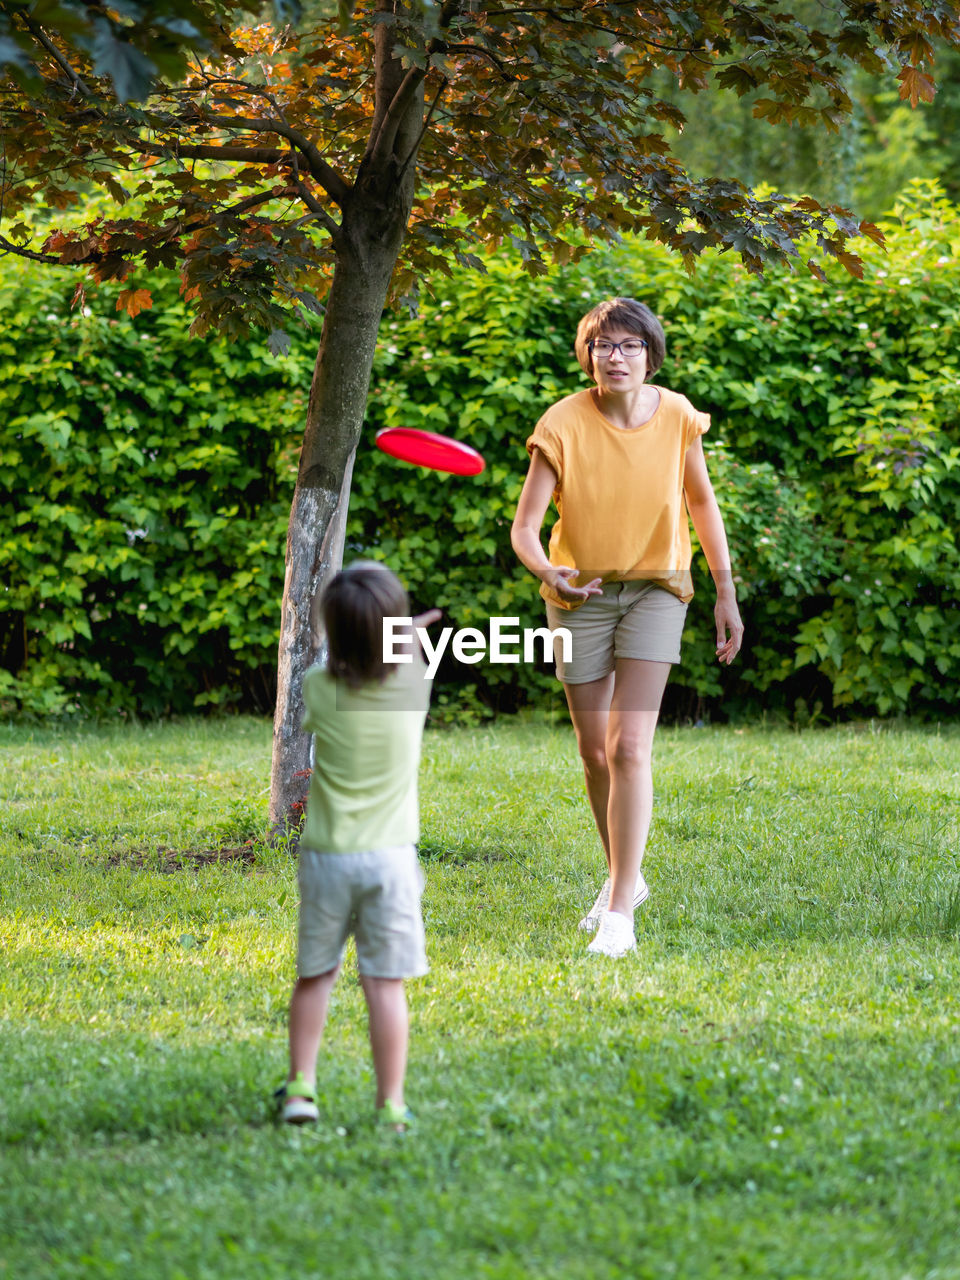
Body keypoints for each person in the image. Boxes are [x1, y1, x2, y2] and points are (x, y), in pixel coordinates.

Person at [511, 297, 743, 958]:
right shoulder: (561, 423)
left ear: (650, 354)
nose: (617, 357)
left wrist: (724, 593)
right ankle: (627, 877)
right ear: (588, 356)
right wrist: (549, 572)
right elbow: (525, 528)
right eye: (604, 346)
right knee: (593, 752)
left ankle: (619, 915)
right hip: (576, 596)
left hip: (657, 591)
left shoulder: (676, 417)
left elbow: (701, 501)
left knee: (629, 746)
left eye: (630, 346)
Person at [274, 561, 438, 1129]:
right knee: (383, 985)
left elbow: (334, 664)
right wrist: (410, 635)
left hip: (326, 856)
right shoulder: (414, 684)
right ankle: (391, 1104)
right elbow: (406, 657)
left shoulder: (320, 688)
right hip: (390, 860)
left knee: (316, 975)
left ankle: (301, 1089)